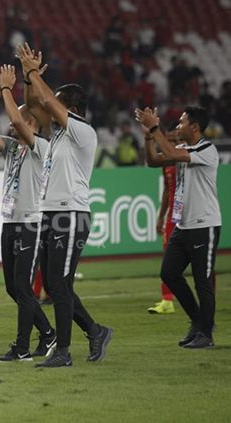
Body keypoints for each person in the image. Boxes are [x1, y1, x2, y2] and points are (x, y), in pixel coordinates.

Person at [18, 43, 112, 367]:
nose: (50, 106)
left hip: (71, 213)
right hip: (52, 212)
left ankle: (63, 352)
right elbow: (34, 103)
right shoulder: (58, 135)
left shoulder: (83, 132)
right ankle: (95, 331)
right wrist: (28, 77)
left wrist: (32, 71)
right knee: (59, 284)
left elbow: (45, 102)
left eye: (57, 101)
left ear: (69, 106)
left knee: (57, 284)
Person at [0, 64, 57, 362]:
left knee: (23, 286)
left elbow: (18, 121)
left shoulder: (42, 148)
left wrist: (10, 90)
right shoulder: (13, 148)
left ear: (32, 124)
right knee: (13, 288)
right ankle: (48, 334)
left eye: (18, 121)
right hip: (11, 222)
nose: (11, 125)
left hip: (30, 224)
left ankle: (22, 347)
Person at [134, 106, 221, 349]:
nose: (178, 126)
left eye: (182, 122)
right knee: (169, 273)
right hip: (183, 225)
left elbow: (170, 150)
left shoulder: (207, 149)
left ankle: (206, 334)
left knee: (202, 281)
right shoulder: (183, 149)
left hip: (205, 224)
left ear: (195, 126)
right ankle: (198, 321)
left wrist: (155, 127)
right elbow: (152, 161)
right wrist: (148, 136)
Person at [144, 124, 179, 315]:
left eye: (174, 140)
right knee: (168, 258)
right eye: (169, 140)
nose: (171, 143)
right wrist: (160, 216)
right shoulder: (166, 162)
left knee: (201, 261)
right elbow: (167, 189)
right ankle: (167, 300)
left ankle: (209, 296)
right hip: (173, 216)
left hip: (193, 215)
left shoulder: (187, 158)